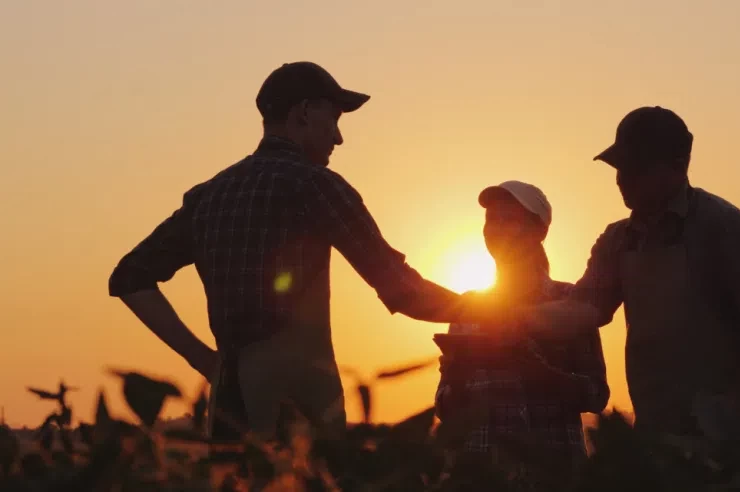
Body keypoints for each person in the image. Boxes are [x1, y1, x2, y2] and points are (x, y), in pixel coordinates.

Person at [108, 61, 473, 441]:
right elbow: (403, 291)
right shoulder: (316, 186)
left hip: (227, 411)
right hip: (300, 416)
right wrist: (493, 313)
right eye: (333, 119)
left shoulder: (209, 196)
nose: (338, 138)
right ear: (303, 113)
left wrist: (202, 359)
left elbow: (129, 278)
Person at [509, 106, 740, 439]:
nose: (621, 178)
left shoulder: (722, 227)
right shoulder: (618, 240)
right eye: (619, 167)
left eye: (636, 167)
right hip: (657, 436)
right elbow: (584, 309)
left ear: (679, 165)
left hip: (734, 443)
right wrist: (512, 318)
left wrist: (734, 408)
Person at [435, 180, 609, 468]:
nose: (497, 228)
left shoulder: (570, 301)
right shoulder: (466, 308)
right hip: (482, 475)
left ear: (539, 231)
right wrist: (455, 378)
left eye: (509, 219)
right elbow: (444, 407)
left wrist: (541, 374)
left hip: (553, 473)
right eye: (492, 219)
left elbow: (596, 395)